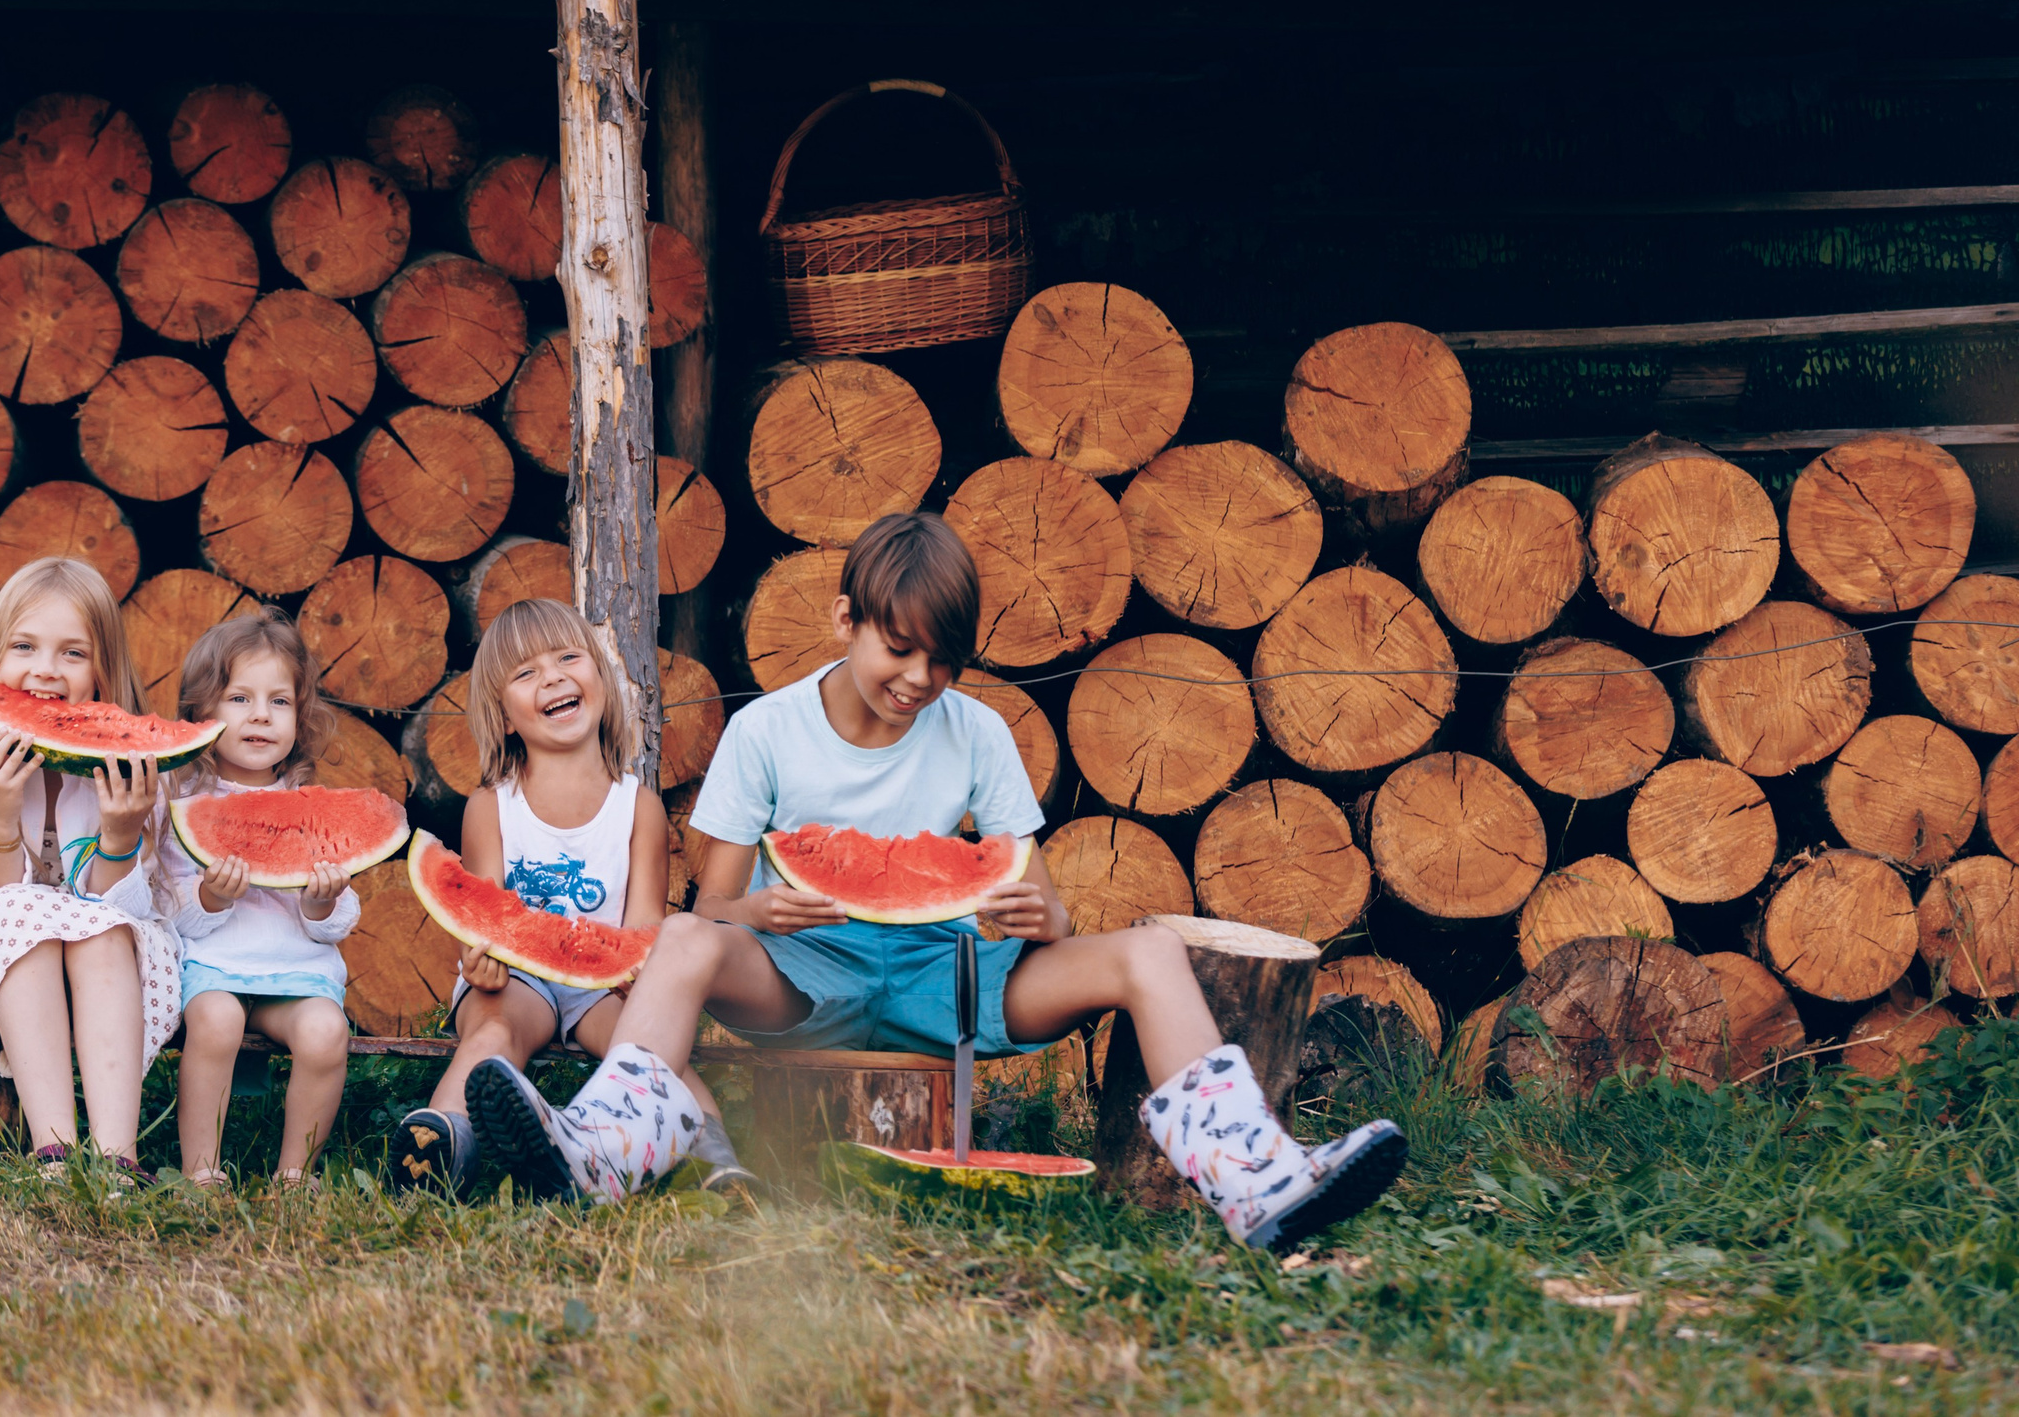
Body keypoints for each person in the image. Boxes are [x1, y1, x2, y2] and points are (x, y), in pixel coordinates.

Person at [466, 512, 1407, 1253]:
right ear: (846, 620)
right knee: (680, 938)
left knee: (1151, 953)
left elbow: (1045, 907)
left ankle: (1257, 1180)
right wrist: (759, 908)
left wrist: (1042, 910)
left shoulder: (978, 733)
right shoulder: (767, 731)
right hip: (800, 978)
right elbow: (711, 909)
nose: (920, 678)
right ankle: (599, 1148)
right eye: (899, 648)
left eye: (944, 660)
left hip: (945, 979)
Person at [387, 598, 752, 1196]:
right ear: (504, 717)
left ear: (599, 681)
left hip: (601, 989)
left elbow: (639, 932)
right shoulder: (491, 806)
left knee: (651, 1059)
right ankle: (439, 1148)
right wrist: (480, 963)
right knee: (493, 1037)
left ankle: (717, 1164)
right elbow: (485, 919)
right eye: (526, 673)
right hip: (512, 982)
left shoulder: (640, 808)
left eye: (567, 658)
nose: (552, 676)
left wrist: (634, 978)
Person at [0, 556, 177, 1179]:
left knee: (99, 929)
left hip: (109, 962)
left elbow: (123, 911)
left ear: (105, 670)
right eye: (24, 646)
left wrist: (121, 834)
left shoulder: (136, 766)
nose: (46, 670)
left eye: (73, 653)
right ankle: (52, 1151)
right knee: (27, 917)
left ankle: (116, 1160)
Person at [152, 613, 359, 1188]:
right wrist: (211, 897)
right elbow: (172, 910)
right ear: (201, 713)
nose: (261, 715)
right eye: (239, 697)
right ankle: (200, 1170)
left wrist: (320, 904)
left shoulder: (308, 803)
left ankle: (295, 1174)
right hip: (214, 967)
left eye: (280, 701)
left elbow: (338, 921)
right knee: (215, 1021)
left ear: (301, 715)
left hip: (297, 973)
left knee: (326, 1034)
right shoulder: (184, 801)